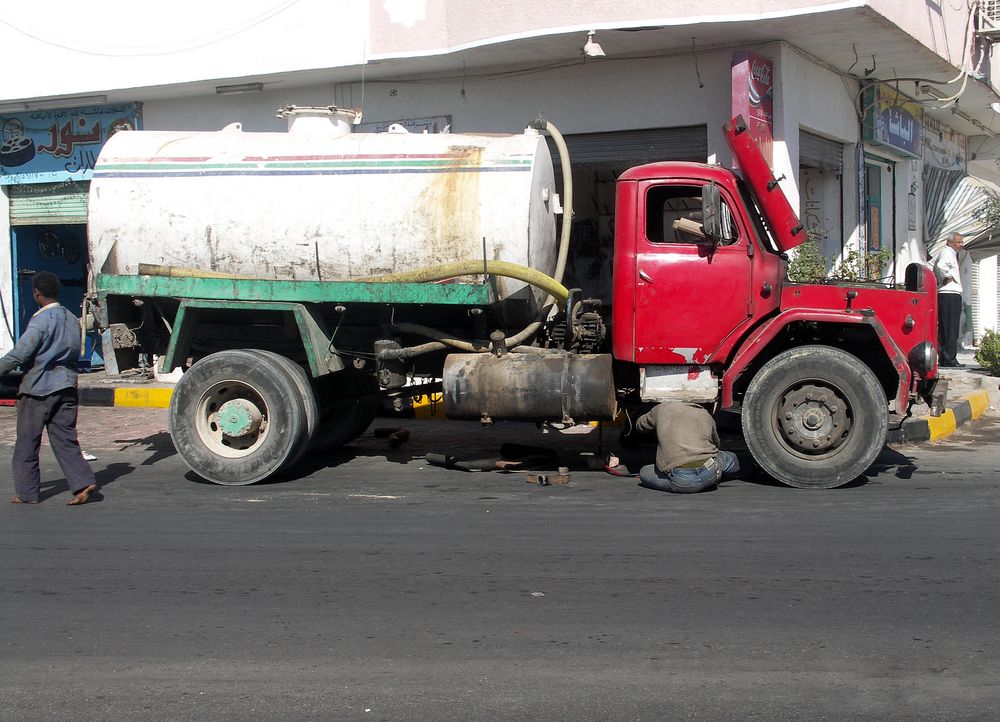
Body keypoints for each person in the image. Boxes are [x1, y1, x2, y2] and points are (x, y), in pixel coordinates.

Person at [0, 272, 97, 505]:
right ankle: (83, 482)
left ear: (37, 293)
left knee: (27, 443)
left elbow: (21, 353)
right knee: (65, 439)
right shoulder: (71, 318)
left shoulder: (41, 321)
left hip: (38, 389)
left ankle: (26, 493)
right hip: (67, 386)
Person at [633, 401, 741, 494]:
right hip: (711, 473)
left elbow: (639, 426)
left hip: (681, 482)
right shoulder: (704, 413)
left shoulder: (661, 409)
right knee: (728, 457)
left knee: (644, 472)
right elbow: (716, 443)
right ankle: (750, 470)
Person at [933, 232, 965, 368]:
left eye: (961, 242)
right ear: (950, 242)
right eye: (958, 242)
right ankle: (950, 359)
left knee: (947, 328)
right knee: (951, 328)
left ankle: (946, 358)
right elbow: (940, 266)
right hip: (950, 294)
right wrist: (947, 278)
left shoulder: (950, 253)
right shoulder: (947, 252)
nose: (961, 245)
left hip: (947, 294)